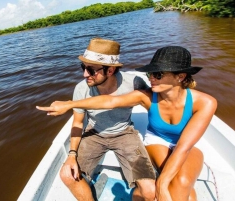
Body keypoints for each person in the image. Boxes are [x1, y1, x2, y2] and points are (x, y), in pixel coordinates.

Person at [37, 46, 217, 201]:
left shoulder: (206, 103)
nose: (151, 78)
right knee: (178, 184)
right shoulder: (145, 96)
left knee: (180, 183)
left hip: (172, 143)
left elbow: (183, 147)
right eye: (150, 73)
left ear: (181, 76)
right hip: (145, 140)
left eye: (158, 74)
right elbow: (110, 101)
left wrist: (161, 184)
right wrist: (70, 104)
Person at [44, 38, 156, 201]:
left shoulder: (133, 83)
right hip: (94, 134)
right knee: (67, 175)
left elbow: (157, 107)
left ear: (110, 71)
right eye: (83, 67)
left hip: (125, 133)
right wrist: (72, 155)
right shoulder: (81, 88)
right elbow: (77, 123)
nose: (84, 74)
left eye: (91, 69)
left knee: (149, 190)